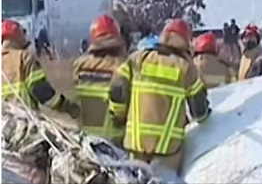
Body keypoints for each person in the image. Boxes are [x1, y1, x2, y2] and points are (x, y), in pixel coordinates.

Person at [109, 19, 210, 173]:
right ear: (186, 42)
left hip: (136, 146)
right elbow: (200, 112)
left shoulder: (137, 59)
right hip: (167, 151)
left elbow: (116, 87)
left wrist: (119, 114)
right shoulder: (185, 67)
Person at [72, 15, 127, 145]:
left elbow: (75, 98)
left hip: (87, 138)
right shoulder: (123, 66)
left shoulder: (79, 65)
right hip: (114, 140)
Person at [2, 20, 77, 114]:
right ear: (15, 34)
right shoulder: (23, 58)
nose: (25, 36)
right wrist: (68, 107)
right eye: (23, 31)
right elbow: (42, 92)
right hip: (22, 120)